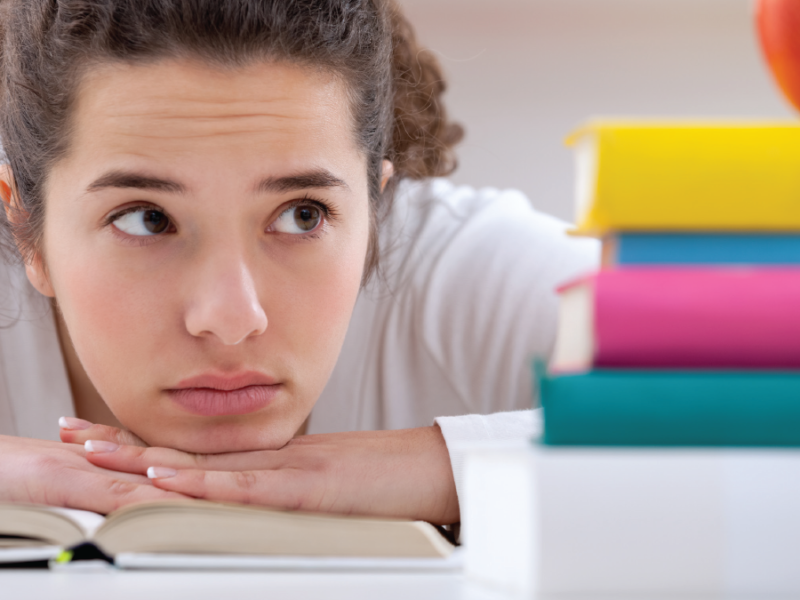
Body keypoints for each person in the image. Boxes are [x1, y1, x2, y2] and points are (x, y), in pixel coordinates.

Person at [0, 0, 597, 523]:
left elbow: (693, 400)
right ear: (27, 229)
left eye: (301, 215)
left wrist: (446, 467)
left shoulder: (459, 268)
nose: (232, 318)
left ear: (374, 210)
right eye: (147, 218)